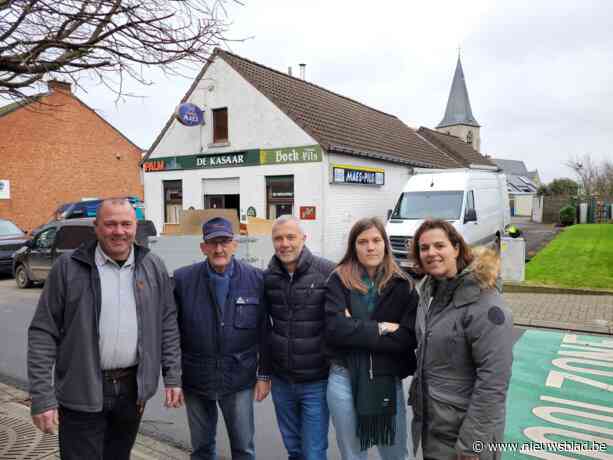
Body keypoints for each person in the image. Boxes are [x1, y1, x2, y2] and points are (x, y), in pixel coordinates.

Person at [27, 198, 183, 460]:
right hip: (81, 391)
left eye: (126, 224)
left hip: (131, 390)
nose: (119, 231)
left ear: (136, 227)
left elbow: (167, 322)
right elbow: (43, 332)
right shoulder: (67, 268)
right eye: (110, 224)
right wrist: (42, 396)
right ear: (96, 227)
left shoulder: (152, 265)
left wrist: (173, 376)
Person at [409, 219, 513, 460]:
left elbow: (493, 382)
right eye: (424, 248)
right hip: (435, 429)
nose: (431, 253)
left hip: (466, 438)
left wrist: (472, 444)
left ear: (456, 248)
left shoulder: (485, 304)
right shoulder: (431, 292)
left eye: (439, 245)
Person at [173, 216, 271, 460]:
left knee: (243, 449)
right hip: (196, 378)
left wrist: (264, 374)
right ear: (203, 247)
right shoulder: (182, 280)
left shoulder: (256, 279)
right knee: (202, 449)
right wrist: (173, 378)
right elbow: (171, 332)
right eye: (213, 243)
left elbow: (265, 331)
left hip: (238, 378)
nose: (219, 249)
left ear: (235, 244)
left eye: (225, 242)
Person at [325, 217, 418, 460]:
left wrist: (353, 328)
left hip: (386, 377)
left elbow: (407, 338)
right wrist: (382, 328)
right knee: (352, 454)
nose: (370, 247)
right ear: (353, 247)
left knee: (395, 453)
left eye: (376, 240)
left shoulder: (402, 285)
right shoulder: (338, 280)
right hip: (344, 377)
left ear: (385, 244)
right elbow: (335, 330)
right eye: (362, 241)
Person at [264, 215, 336, 460]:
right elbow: (264, 329)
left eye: (290, 237)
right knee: (294, 449)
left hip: (316, 382)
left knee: (313, 451)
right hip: (282, 382)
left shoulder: (327, 272)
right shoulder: (269, 277)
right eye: (278, 238)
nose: (284, 243)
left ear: (304, 239)